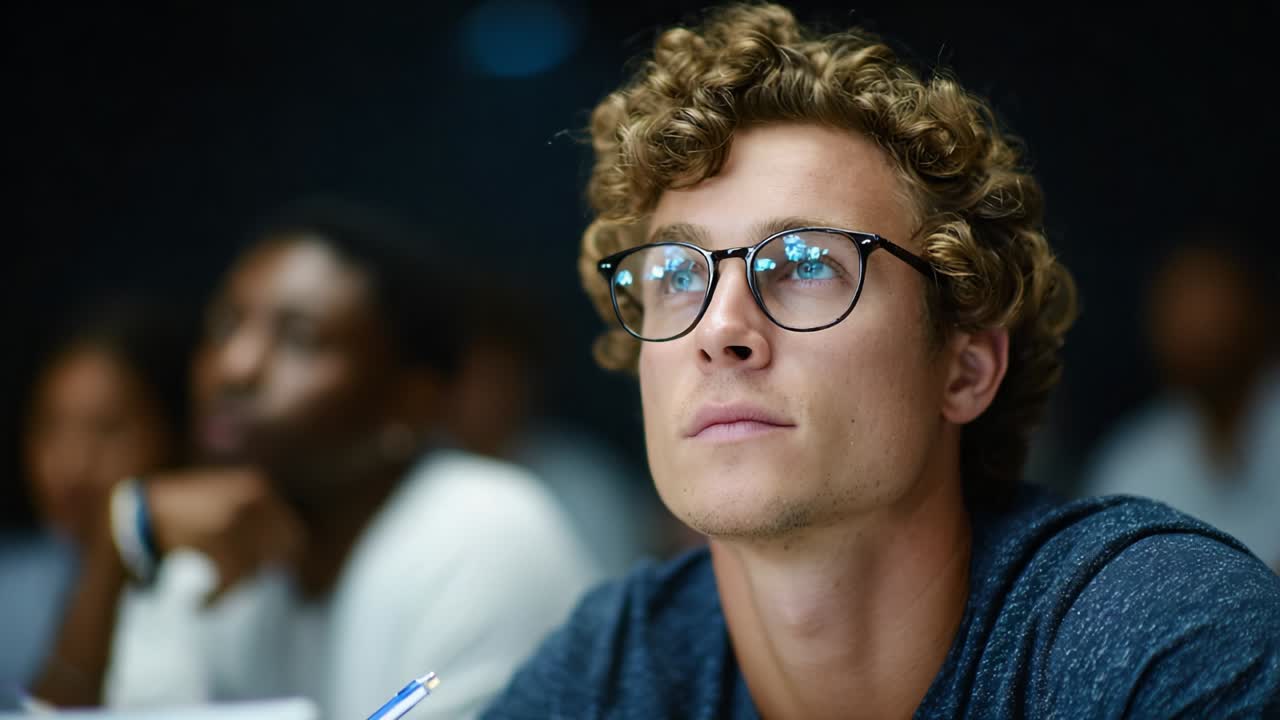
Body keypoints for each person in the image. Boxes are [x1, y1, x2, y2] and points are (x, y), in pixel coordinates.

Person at [482, 5, 1280, 718]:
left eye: (804, 263)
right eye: (676, 275)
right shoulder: (611, 668)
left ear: (965, 369)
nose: (719, 329)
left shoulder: (1157, 636)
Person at [28, 201, 599, 719]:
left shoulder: (481, 529)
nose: (234, 368)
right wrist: (115, 547)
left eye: (298, 339)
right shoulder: (206, 546)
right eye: (225, 326)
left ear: (411, 402)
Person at [0, 301, 192, 702]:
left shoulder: (206, 585)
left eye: (106, 430)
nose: (72, 466)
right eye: (49, 427)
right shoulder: (10, 590)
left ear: (173, 433)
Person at [441, 281, 665, 576]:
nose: (486, 397)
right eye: (472, 380)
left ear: (527, 380)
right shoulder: (416, 476)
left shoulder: (584, 483)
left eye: (499, 378)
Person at [1085, 234, 1280, 570]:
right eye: (1180, 310)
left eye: (1214, 303)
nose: (1200, 328)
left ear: (1257, 310)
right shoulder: (1133, 462)